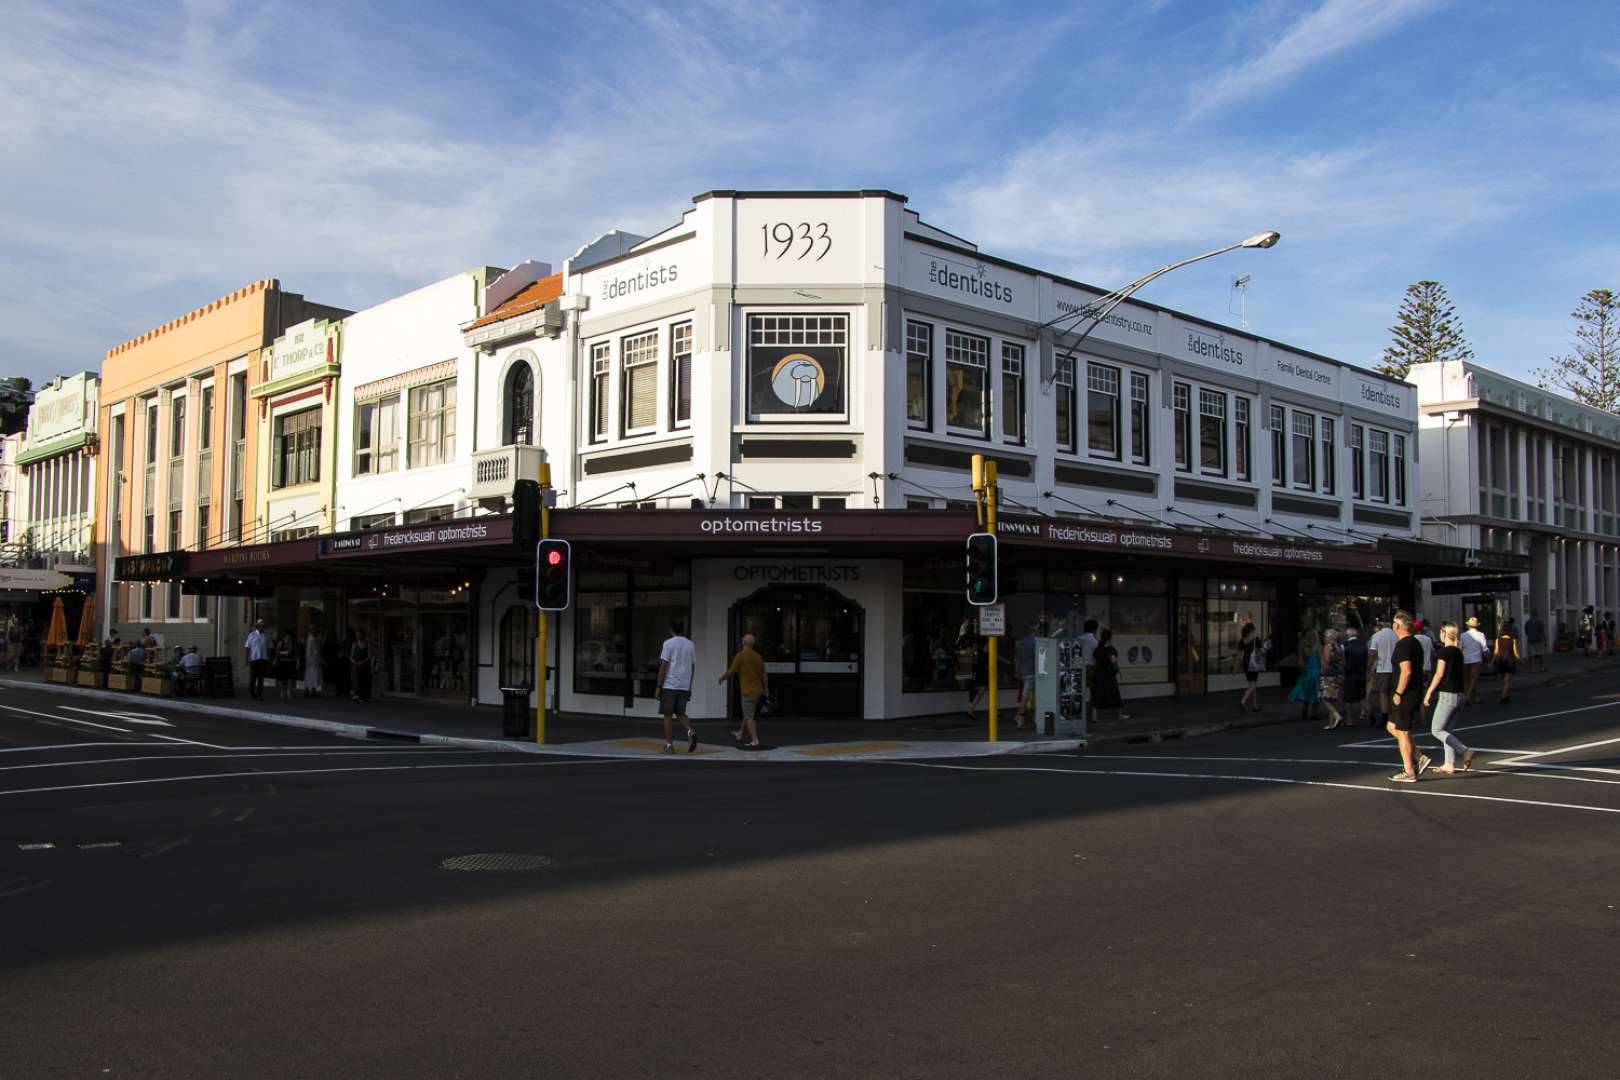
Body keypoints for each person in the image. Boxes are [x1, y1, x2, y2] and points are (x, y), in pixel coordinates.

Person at [1423, 622, 1476, 775]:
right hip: (1460, 695)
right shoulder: (1458, 652)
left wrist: (1428, 693)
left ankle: (1465, 751)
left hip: (1448, 694)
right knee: (1447, 731)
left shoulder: (1444, 652)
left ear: (1444, 633)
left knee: (1436, 729)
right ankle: (1449, 764)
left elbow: (1439, 674)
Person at [1386, 611, 1432, 783]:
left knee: (1403, 732)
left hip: (1407, 694)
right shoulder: (1415, 643)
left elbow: (1406, 671)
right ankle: (1419, 756)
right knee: (1392, 727)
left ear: (1397, 626)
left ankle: (1409, 770)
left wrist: (1398, 693)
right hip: (1413, 691)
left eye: (1393, 623)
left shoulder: (1404, 645)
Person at [719, 632, 769, 749]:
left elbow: (731, 671)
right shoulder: (758, 657)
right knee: (748, 714)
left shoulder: (740, 656)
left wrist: (722, 678)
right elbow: (764, 674)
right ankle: (740, 732)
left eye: (742, 641)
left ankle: (755, 740)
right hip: (758, 691)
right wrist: (766, 689)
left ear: (744, 643)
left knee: (749, 717)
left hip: (748, 692)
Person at [657, 618, 698, 753]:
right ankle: (690, 731)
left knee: (668, 715)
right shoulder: (690, 644)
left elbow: (664, 666)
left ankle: (669, 745)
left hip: (670, 684)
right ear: (683, 629)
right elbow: (692, 666)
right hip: (684, 685)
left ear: (671, 630)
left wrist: (659, 686)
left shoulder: (668, 644)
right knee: (680, 712)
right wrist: (690, 686)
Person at [1367, 617, 1398, 729]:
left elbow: (1372, 654)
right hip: (1395, 668)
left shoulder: (1377, 636)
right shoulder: (1396, 635)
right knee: (1394, 693)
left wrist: (1369, 669)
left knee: (1383, 693)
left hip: (1382, 668)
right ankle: (1394, 716)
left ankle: (1385, 717)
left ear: (1379, 626)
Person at [1288, 629, 1321, 722]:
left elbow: (1301, 661)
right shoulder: (1318, 647)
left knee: (1307, 692)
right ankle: (1314, 713)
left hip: (1307, 671)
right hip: (1316, 672)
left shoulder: (1304, 648)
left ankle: (1305, 709)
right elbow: (1320, 660)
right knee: (1316, 692)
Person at [1091, 628, 1122, 715]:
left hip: (1099, 674)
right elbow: (1113, 662)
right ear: (1110, 638)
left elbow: (1096, 663)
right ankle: (1120, 715)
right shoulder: (1111, 649)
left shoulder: (1098, 649)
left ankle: (1094, 716)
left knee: (1097, 694)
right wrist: (1118, 672)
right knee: (1115, 694)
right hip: (1109, 675)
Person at [1318, 629, 1345, 730]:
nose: (1324, 638)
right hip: (1337, 675)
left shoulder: (1328, 647)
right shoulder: (1339, 647)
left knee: (1324, 697)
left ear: (1330, 637)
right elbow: (1343, 660)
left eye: (1325, 636)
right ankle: (1331, 723)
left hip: (1328, 676)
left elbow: (1326, 661)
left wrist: (1323, 671)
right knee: (1332, 699)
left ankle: (1337, 715)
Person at [1341, 625, 1368, 726]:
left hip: (1350, 674)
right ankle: (1371, 713)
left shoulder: (1345, 645)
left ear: (1347, 635)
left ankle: (1349, 720)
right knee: (1362, 697)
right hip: (1361, 673)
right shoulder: (1364, 645)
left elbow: (1343, 661)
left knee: (1348, 699)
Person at [1014, 621, 1039, 730]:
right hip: (1033, 672)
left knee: (1028, 695)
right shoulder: (1036, 641)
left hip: (1024, 672)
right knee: (1026, 696)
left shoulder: (1021, 642)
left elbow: (1017, 659)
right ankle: (1019, 718)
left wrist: (1017, 671)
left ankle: (1029, 718)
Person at [1460, 617, 1488, 706]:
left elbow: (1460, 648)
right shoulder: (1481, 635)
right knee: (1474, 679)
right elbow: (1484, 648)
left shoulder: (1463, 635)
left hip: (1465, 659)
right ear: (1477, 626)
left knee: (1466, 680)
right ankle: (1468, 697)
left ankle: (1474, 697)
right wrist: (1489, 656)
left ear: (1468, 626)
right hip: (1476, 659)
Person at [1076, 619, 1100, 723]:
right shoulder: (1095, 642)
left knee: (1078, 692)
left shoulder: (1078, 639)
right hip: (1091, 668)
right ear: (1094, 629)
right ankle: (1091, 715)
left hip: (1078, 667)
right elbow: (1096, 658)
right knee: (1093, 693)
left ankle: (1077, 714)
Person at [1494, 619, 1520, 704]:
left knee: (1505, 680)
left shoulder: (1498, 640)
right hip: (1509, 662)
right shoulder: (1513, 640)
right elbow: (1515, 653)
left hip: (1501, 662)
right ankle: (1503, 697)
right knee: (1508, 681)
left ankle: (1507, 695)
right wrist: (1519, 660)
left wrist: (1492, 661)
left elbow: (1496, 651)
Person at [1238, 623, 1261, 714]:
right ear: (1250, 631)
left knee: (1251, 684)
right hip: (1253, 664)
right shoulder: (1256, 640)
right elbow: (1260, 652)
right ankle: (1242, 702)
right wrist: (1262, 664)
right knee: (1253, 685)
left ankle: (1255, 706)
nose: (1254, 632)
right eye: (1253, 631)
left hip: (1245, 663)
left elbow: (1239, 655)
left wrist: (1236, 667)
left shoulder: (1242, 641)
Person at [244, 619, 270, 700]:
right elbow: (247, 648)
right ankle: (252, 692)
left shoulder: (266, 636)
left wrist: (269, 659)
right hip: (254, 659)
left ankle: (259, 694)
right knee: (253, 677)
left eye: (263, 626)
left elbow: (268, 648)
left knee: (261, 678)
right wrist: (247, 659)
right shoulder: (251, 635)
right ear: (257, 626)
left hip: (263, 659)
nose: (262, 627)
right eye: (260, 625)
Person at [350, 629, 373, 702]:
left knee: (364, 680)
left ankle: (362, 696)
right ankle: (356, 695)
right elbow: (351, 657)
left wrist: (362, 662)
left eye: (359, 634)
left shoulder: (368, 644)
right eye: (357, 635)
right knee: (356, 680)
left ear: (363, 635)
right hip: (356, 665)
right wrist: (354, 662)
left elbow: (369, 656)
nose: (358, 636)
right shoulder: (354, 644)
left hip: (365, 665)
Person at [273, 631, 296, 699]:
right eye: (289, 637)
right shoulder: (281, 641)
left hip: (291, 661)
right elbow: (276, 651)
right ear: (286, 636)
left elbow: (295, 652)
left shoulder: (293, 642)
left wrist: (297, 661)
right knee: (282, 678)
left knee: (290, 678)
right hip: (283, 662)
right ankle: (282, 692)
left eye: (291, 637)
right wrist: (283, 653)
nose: (290, 638)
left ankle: (289, 692)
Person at [303, 627, 325, 698]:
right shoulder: (313, 639)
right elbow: (316, 651)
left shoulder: (309, 639)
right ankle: (313, 691)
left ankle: (307, 690)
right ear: (312, 631)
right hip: (314, 661)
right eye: (315, 630)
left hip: (309, 661)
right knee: (313, 676)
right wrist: (322, 659)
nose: (316, 632)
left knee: (309, 675)